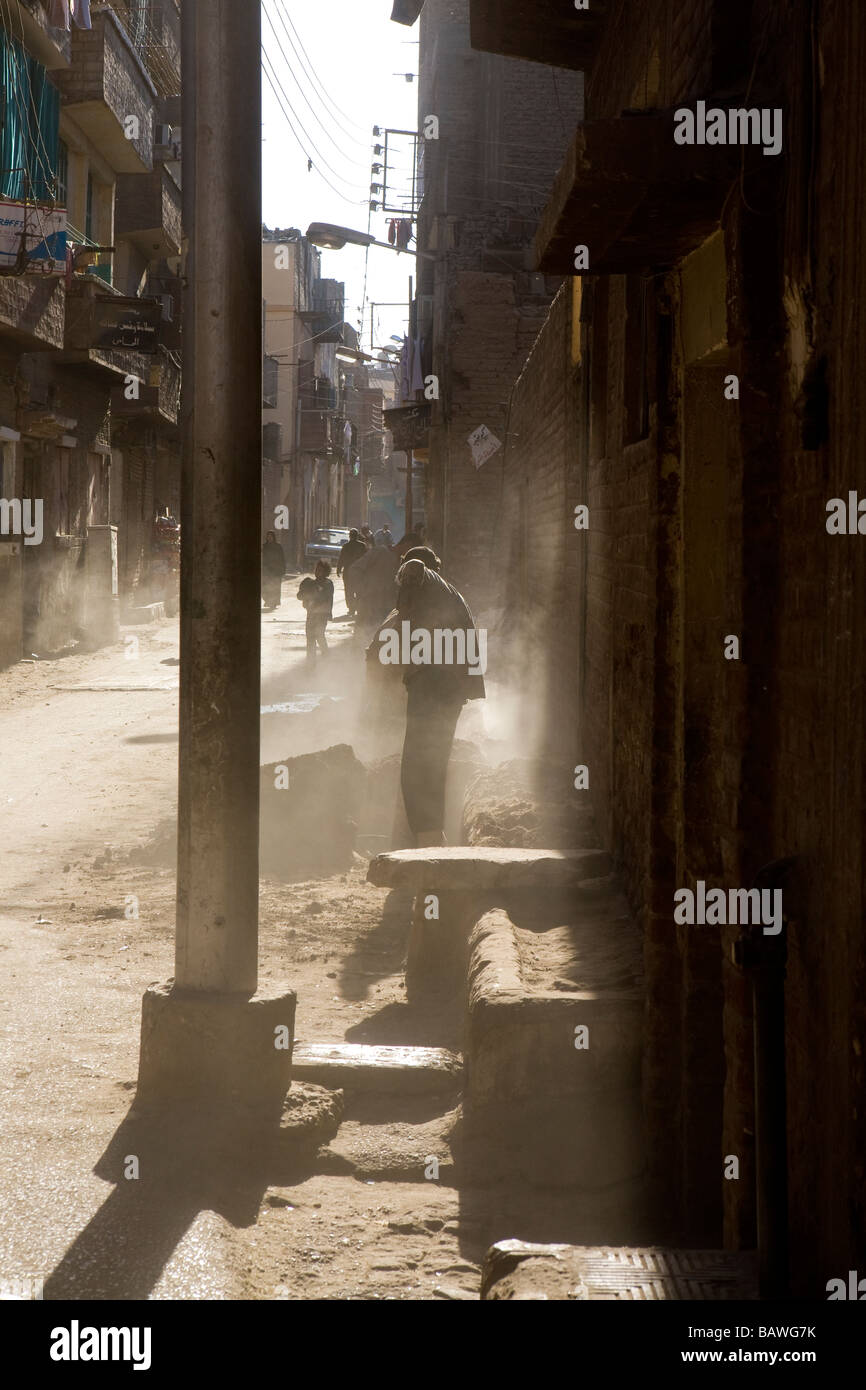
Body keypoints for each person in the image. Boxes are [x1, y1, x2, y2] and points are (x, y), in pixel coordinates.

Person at [367, 547, 485, 846]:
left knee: (420, 762)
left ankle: (427, 838)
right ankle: (429, 834)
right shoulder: (444, 594)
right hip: (445, 686)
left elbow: (399, 631)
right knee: (429, 759)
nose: (401, 587)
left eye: (402, 578)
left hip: (435, 685)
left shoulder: (419, 572)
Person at [299, 560, 333, 658]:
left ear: (326, 572)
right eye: (317, 569)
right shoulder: (310, 583)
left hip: (322, 614)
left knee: (319, 635)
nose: (317, 572)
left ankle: (326, 657)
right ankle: (310, 663)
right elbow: (300, 596)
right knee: (310, 638)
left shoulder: (328, 584)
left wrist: (312, 594)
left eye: (320, 570)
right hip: (311, 614)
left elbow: (324, 597)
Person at [336, 527, 368, 616]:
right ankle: (356, 608)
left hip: (349, 572)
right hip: (358, 572)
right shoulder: (362, 546)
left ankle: (352, 609)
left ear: (350, 536)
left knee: (349, 591)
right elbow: (367, 558)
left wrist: (339, 569)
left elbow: (341, 559)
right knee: (358, 591)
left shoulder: (347, 546)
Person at [261, 530, 286, 610]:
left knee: (275, 588)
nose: (269, 538)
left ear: (273, 537)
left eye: (271, 536)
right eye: (268, 536)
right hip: (266, 570)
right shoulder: (264, 546)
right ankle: (268, 600)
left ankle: (273, 602)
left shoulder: (278, 546)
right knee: (265, 587)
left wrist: (283, 569)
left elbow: (282, 559)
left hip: (276, 571)